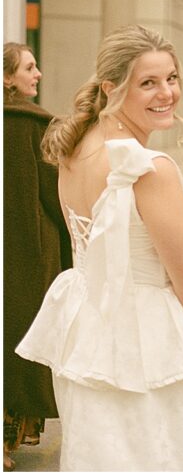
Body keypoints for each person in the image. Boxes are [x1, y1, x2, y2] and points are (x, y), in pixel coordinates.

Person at [15, 25, 183, 470]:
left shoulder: (76, 150)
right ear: (112, 88)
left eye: (171, 78)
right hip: (148, 348)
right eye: (147, 82)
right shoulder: (149, 169)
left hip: (92, 336)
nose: (166, 93)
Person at [3, 44, 70, 472]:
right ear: (7, 78)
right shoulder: (35, 125)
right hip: (29, 255)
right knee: (20, 343)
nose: (39, 73)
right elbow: (56, 195)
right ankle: (8, 434)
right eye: (29, 67)